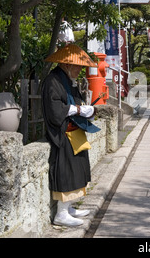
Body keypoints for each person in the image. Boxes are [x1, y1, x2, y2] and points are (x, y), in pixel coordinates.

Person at [42, 44, 98, 227]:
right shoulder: (53, 80)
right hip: (63, 134)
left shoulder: (67, 80)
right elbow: (55, 109)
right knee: (66, 172)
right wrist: (79, 109)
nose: (80, 71)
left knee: (78, 169)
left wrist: (87, 110)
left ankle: (69, 207)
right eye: (78, 67)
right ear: (67, 65)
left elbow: (77, 102)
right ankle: (61, 212)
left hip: (75, 132)